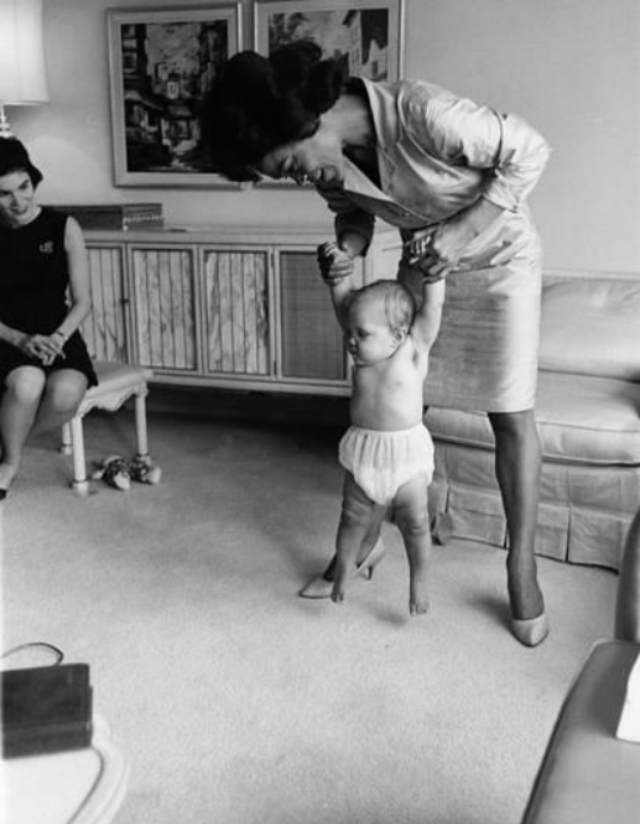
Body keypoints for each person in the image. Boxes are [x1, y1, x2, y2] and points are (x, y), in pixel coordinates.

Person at [201, 40, 551, 646]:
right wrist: (348, 249)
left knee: (511, 414)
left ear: (306, 120)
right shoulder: (330, 154)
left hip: (500, 262)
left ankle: (522, 563)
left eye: (290, 165)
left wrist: (462, 231)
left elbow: (531, 149)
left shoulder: (423, 113)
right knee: (400, 403)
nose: (301, 178)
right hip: (426, 264)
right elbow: (352, 213)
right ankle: (364, 540)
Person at [318, 240, 444, 613]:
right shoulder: (364, 355)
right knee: (351, 516)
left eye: (362, 334)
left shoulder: (413, 350)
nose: (351, 341)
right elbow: (343, 308)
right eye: (350, 334)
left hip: (406, 454)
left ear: (398, 335)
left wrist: (434, 274)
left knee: (415, 523)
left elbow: (433, 308)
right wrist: (337, 275)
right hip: (365, 450)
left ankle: (418, 581)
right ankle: (345, 565)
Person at [0, 138, 97, 499]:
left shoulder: (64, 227)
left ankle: (8, 439)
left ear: (33, 179)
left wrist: (58, 338)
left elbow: (83, 302)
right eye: (4, 194)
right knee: (28, 382)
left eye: (24, 186)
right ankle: (10, 462)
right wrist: (19, 339)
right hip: (6, 334)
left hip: (58, 333)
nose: (19, 201)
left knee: (67, 392)